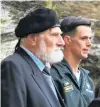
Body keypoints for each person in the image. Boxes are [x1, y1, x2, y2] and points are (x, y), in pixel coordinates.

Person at [1, 7, 66, 107]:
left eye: (60, 35)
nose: (62, 42)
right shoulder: (13, 66)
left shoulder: (43, 69)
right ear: (32, 38)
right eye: (54, 35)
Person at [51, 16, 94, 107]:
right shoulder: (53, 75)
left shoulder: (87, 78)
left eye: (90, 38)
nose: (89, 43)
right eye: (83, 38)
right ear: (67, 40)